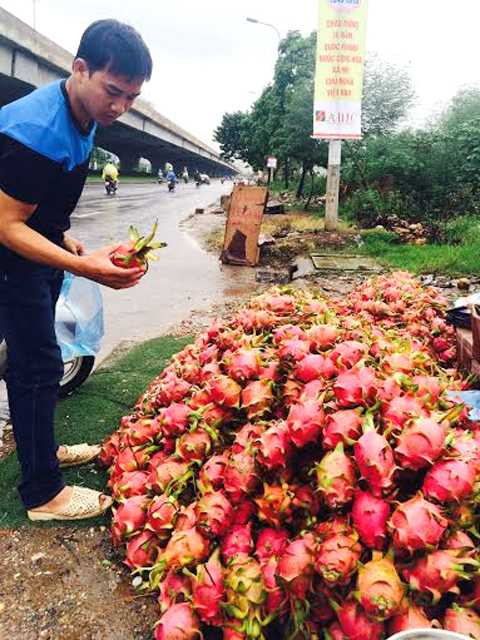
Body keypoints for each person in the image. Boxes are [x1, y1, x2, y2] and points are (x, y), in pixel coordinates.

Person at [0, 19, 152, 521]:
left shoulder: (84, 115)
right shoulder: (40, 131)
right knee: (38, 365)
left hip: (33, 245)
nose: (120, 107)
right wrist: (83, 267)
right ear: (80, 68)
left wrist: (62, 236)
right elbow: (6, 224)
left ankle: (42, 449)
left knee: (37, 359)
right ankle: (43, 494)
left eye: (131, 97)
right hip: (10, 254)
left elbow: (36, 204)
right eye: (113, 91)